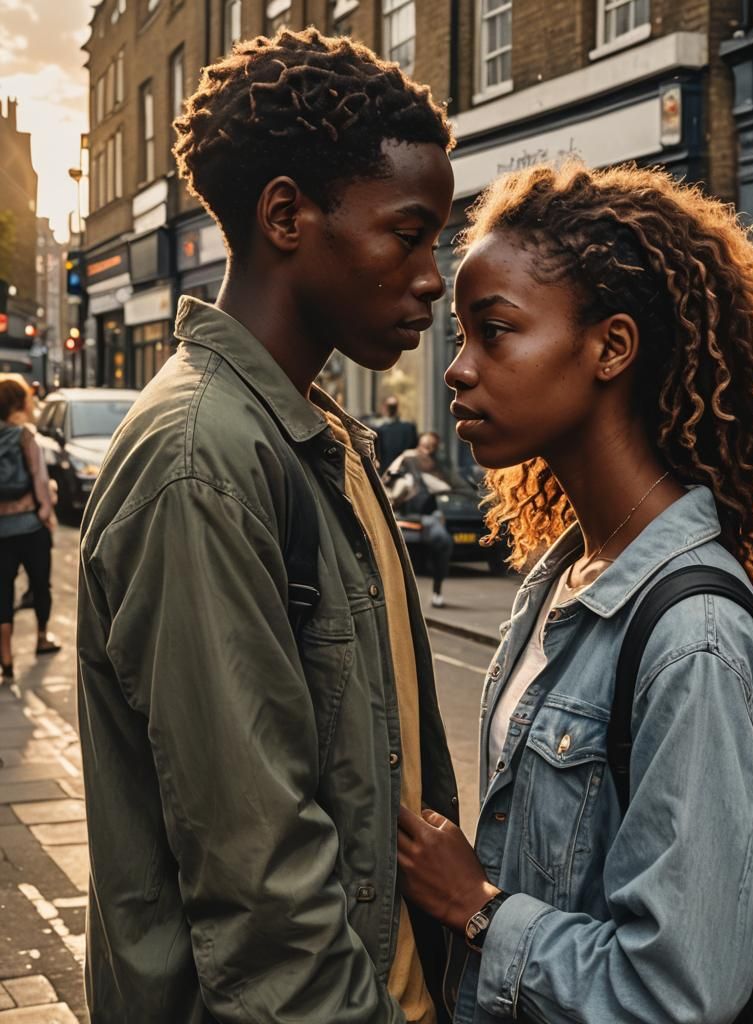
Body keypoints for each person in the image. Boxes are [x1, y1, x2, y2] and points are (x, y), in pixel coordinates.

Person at [77, 28, 458, 1023]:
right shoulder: (205, 460)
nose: (431, 276)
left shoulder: (316, 433)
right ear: (287, 215)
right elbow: (263, 890)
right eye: (408, 233)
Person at [396, 164, 753, 1024]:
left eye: (496, 332)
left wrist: (477, 905)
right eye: (461, 336)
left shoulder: (693, 635)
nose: (458, 371)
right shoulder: (564, 578)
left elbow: (676, 988)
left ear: (612, 347)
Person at [0, 376, 59, 680]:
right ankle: (42, 637)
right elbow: (39, 482)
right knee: (40, 584)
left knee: (2, 590)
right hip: (29, 526)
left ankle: (6, 656)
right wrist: (45, 515)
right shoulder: (26, 437)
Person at [384, 430, 455, 607]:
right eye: (424, 445)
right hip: (405, 516)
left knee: (443, 541)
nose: (427, 450)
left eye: (431, 447)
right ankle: (394, 596)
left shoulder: (438, 466)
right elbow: (387, 479)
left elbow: (451, 486)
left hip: (429, 517)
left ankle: (437, 592)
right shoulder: (407, 459)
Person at [376, 393, 419, 468]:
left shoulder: (408, 427)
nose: (391, 409)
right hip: (387, 469)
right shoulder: (379, 428)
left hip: (403, 468)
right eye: (390, 407)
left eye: (392, 407)